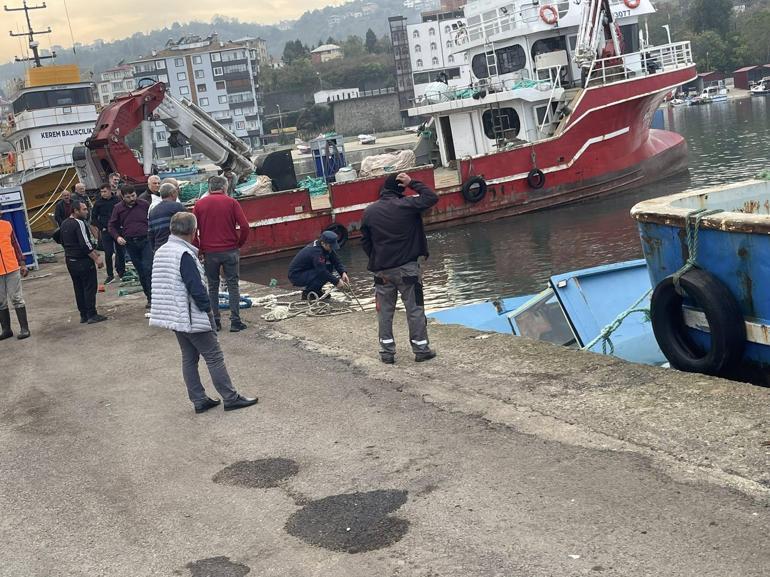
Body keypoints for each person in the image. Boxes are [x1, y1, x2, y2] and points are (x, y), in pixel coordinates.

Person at [149, 212, 258, 413]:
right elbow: (195, 286)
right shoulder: (184, 254)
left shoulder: (162, 250)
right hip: (190, 313)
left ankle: (199, 400)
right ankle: (230, 397)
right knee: (214, 356)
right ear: (193, 231)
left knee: (189, 357)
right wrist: (207, 309)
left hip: (173, 313)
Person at [361, 172, 439, 364]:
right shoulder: (407, 205)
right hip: (408, 270)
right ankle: (421, 350)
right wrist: (412, 183)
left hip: (382, 271)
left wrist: (377, 259)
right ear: (400, 189)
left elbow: (366, 242)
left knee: (385, 312)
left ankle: (387, 353)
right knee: (414, 309)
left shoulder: (369, 211)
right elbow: (431, 197)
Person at [193, 175, 249, 332]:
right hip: (230, 250)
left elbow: (193, 230)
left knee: (212, 286)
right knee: (232, 285)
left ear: (209, 188)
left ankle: (215, 321)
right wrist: (239, 243)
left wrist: (199, 248)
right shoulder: (232, 202)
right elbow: (245, 226)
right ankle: (235, 321)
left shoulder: (199, 205)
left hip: (209, 252)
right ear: (224, 187)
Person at [60, 199, 107, 324]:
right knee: (89, 287)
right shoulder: (79, 223)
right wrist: (96, 258)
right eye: (84, 209)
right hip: (83, 261)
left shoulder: (64, 223)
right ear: (76, 211)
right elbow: (85, 244)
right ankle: (91, 314)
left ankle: (83, 315)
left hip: (70, 260)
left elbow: (60, 240)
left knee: (78, 287)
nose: (87, 212)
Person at [108, 185, 152, 307]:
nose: (132, 199)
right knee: (141, 271)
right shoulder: (118, 208)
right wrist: (117, 237)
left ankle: (154, 296)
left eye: (133, 195)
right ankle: (149, 297)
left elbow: (152, 218)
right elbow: (112, 226)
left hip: (146, 241)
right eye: (128, 197)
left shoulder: (144, 204)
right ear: (122, 197)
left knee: (148, 268)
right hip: (131, 243)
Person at [288, 230, 350, 300]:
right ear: (323, 243)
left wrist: (343, 272)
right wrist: (336, 282)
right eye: (331, 246)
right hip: (296, 276)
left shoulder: (327, 247)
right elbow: (322, 271)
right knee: (324, 272)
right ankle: (308, 293)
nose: (332, 249)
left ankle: (316, 290)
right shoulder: (316, 252)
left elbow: (336, 261)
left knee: (329, 267)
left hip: (307, 271)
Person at [0, 211, 31, 340]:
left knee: (17, 298)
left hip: (12, 267)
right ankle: (6, 330)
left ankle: (24, 329)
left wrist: (22, 263)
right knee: (0, 302)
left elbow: (15, 245)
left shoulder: (7, 225)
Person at [90, 183, 125, 284]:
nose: (103, 194)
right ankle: (110, 275)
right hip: (106, 231)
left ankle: (121, 271)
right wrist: (102, 227)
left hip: (117, 230)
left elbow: (123, 213)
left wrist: (122, 225)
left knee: (120, 252)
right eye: (101, 192)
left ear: (110, 191)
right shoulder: (98, 203)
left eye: (105, 191)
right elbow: (93, 219)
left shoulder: (117, 200)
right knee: (108, 253)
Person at [148, 182, 187, 251]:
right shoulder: (177, 207)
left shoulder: (152, 211)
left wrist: (154, 250)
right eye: (176, 192)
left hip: (159, 249)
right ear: (172, 193)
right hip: (175, 248)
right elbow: (188, 227)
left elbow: (150, 234)